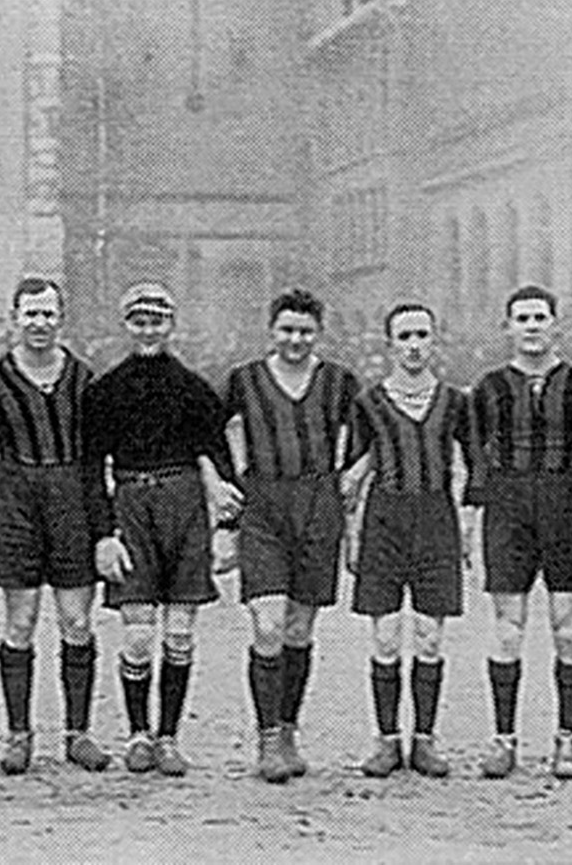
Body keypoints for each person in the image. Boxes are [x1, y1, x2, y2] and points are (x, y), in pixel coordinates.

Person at [83, 283, 240, 777]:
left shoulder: (194, 388)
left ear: (171, 325)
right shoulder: (105, 390)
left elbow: (218, 458)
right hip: (131, 505)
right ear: (126, 325)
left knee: (179, 631)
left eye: (157, 321)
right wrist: (104, 534)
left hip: (184, 505)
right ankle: (137, 734)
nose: (148, 330)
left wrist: (226, 526)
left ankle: (169, 736)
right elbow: (91, 469)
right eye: (139, 321)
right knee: (136, 634)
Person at [222, 288, 361, 783]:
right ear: (271, 331)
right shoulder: (244, 380)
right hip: (263, 504)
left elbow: (370, 434)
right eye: (286, 330)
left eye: (305, 331)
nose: (296, 340)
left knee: (300, 629)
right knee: (268, 625)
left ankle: (287, 731)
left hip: (318, 504)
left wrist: (353, 475)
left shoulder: (339, 381)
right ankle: (266, 738)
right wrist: (225, 493)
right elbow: (215, 436)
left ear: (318, 333)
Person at [0, 276, 111, 774]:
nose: (39, 323)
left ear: (61, 319)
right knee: (20, 622)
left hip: (72, 499)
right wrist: (10, 485)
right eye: (31, 314)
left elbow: (96, 458)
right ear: (15, 317)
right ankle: (19, 735)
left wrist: (101, 524)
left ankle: (78, 733)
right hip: (18, 504)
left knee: (77, 621)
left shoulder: (83, 378)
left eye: (48, 314)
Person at [468, 285, 572, 780]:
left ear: (554, 324)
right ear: (508, 326)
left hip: (565, 509)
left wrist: (567, 490)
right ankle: (504, 740)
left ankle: (567, 740)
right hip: (507, 511)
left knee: (568, 627)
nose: (531, 326)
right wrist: (490, 499)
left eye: (539, 317)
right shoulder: (488, 386)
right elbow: (475, 451)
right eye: (522, 318)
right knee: (509, 627)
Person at [343, 303, 477, 779]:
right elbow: (352, 475)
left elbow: (474, 466)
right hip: (385, 520)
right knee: (384, 636)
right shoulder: (369, 402)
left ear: (435, 340)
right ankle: (385, 742)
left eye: (422, 334)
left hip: (436, 519)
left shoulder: (455, 401)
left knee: (429, 636)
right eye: (404, 336)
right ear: (390, 344)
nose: (414, 345)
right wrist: (353, 538)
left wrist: (467, 526)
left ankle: (424, 741)